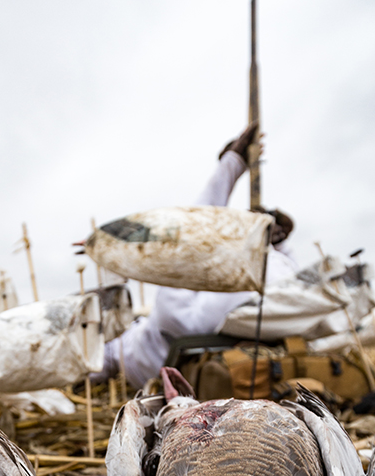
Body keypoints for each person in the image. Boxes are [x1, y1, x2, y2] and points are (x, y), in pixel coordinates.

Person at [94, 123, 298, 389]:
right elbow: (197, 234)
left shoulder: (182, 310)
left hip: (146, 356)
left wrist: (231, 165)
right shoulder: (278, 281)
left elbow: (193, 233)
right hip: (152, 351)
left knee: (105, 355)